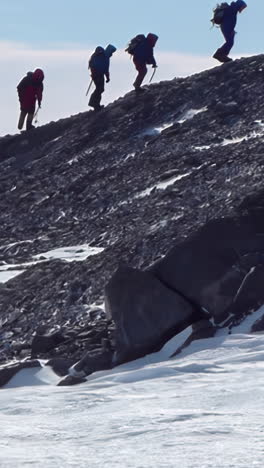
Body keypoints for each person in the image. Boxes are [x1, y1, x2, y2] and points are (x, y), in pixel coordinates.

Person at [88, 44, 116, 111]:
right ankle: (94, 104)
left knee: (99, 89)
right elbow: (106, 69)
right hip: (98, 75)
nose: (112, 54)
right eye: (112, 52)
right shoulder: (105, 57)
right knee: (100, 89)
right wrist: (107, 77)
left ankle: (94, 104)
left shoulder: (100, 56)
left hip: (95, 75)